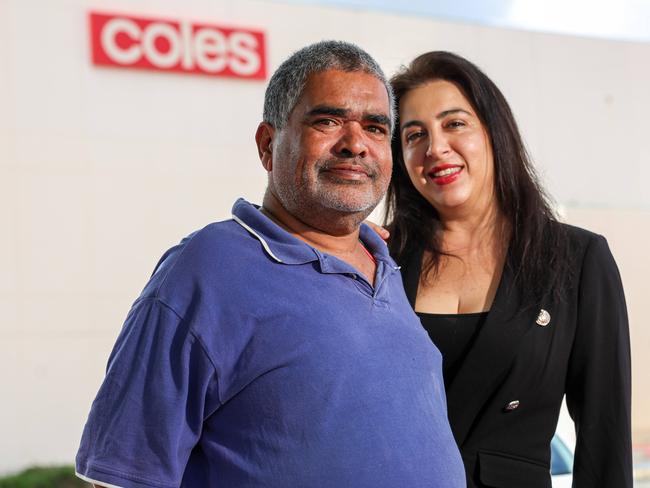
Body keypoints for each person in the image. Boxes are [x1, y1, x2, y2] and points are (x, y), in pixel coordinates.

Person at [75, 41, 466, 488]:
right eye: (327, 120)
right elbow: (123, 474)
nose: (356, 144)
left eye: (375, 128)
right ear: (267, 143)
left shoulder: (387, 266)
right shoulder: (206, 269)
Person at [383, 51, 632, 487]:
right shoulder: (379, 259)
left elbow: (604, 437)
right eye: (414, 135)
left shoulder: (576, 259)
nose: (436, 148)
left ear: (494, 133)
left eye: (454, 123)